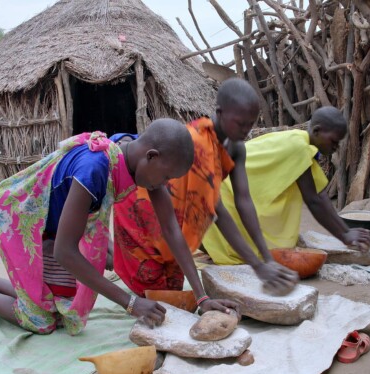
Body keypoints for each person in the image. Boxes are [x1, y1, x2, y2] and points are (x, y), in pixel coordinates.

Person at [0, 119, 237, 334]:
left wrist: (200, 297)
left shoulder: (134, 152)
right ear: (151, 157)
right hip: (21, 215)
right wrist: (130, 302)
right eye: (166, 177)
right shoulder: (94, 170)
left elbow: (171, 230)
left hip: (54, 222)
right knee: (41, 320)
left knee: (60, 306)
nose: (165, 185)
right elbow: (65, 251)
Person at [112, 78, 298, 297]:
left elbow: (244, 201)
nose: (246, 130)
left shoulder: (237, 149)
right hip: (145, 214)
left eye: (251, 124)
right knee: (154, 295)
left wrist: (266, 258)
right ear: (220, 113)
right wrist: (257, 266)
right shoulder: (197, 143)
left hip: (170, 221)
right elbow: (218, 212)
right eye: (240, 123)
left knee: (172, 294)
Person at [201, 106, 370, 264]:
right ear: (317, 130)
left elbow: (319, 196)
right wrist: (345, 234)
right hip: (225, 190)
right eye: (333, 141)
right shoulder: (299, 148)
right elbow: (314, 200)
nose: (335, 147)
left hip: (222, 186)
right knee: (236, 250)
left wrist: (345, 231)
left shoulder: (298, 142)